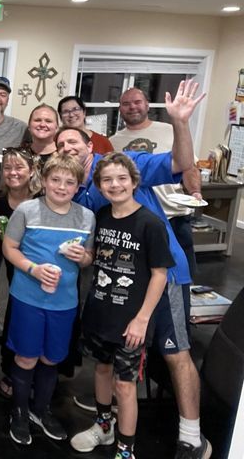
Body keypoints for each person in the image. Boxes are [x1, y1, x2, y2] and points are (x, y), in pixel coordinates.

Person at [55, 78, 211, 459]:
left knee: (176, 352)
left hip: (164, 276)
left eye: (73, 141)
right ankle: (106, 426)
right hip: (118, 287)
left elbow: (180, 163)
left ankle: (192, 435)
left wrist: (181, 122)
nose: (67, 148)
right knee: (108, 362)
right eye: (60, 146)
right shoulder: (82, 191)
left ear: (89, 144)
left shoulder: (127, 166)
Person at [70, 153, 172, 459]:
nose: (115, 185)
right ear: (99, 186)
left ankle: (126, 450)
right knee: (101, 371)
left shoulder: (150, 224)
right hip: (100, 312)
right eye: (107, 180)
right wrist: (81, 256)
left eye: (121, 178)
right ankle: (103, 427)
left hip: (132, 321)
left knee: (125, 386)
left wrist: (142, 320)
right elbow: (95, 258)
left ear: (134, 181)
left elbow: (160, 275)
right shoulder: (101, 217)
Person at [3, 154, 95, 446]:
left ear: (78, 186)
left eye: (70, 182)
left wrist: (84, 258)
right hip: (28, 298)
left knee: (51, 357)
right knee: (27, 356)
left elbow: (88, 258)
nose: (61, 186)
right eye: (55, 179)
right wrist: (33, 268)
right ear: (43, 180)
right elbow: (9, 247)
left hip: (65, 302)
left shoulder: (86, 217)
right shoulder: (27, 210)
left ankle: (41, 410)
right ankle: (19, 411)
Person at [109, 86, 202, 279]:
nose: (132, 107)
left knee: (181, 272)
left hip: (173, 215)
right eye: (126, 104)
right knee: (148, 275)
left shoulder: (169, 130)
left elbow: (188, 166)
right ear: (120, 109)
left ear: (147, 105)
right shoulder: (114, 142)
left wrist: (194, 192)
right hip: (140, 219)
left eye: (137, 102)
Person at [0, 147, 42, 394]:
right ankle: (10, 372)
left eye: (19, 167)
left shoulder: (43, 200)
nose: (12, 172)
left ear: (31, 171)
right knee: (14, 319)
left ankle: (40, 375)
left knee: (38, 323)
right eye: (7, 168)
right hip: (14, 274)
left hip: (41, 272)